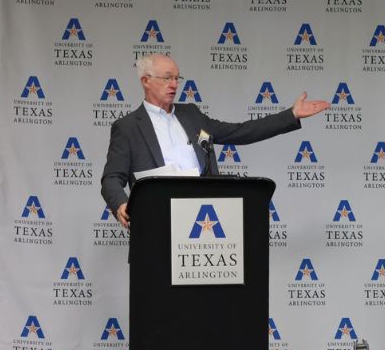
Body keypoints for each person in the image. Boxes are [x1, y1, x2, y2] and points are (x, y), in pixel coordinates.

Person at [101, 53, 329, 229]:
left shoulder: (191, 115)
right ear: (146, 81)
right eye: (166, 78)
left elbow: (240, 132)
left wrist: (291, 115)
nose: (174, 84)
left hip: (204, 220)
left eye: (176, 78)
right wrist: (121, 203)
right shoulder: (128, 127)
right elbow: (112, 177)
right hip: (156, 223)